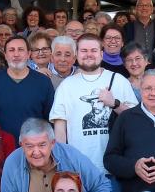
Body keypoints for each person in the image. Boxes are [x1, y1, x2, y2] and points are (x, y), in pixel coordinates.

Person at [1, 118, 109, 192]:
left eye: (42, 145)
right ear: (21, 145)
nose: (36, 152)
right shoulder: (12, 163)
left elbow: (102, 185)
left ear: (52, 143)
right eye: (29, 146)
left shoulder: (70, 156)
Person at [50, 33, 138, 173]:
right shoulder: (66, 86)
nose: (89, 54)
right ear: (76, 55)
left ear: (101, 54)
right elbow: (60, 129)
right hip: (78, 169)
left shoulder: (119, 80)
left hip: (114, 168)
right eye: (84, 50)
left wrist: (114, 103)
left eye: (93, 50)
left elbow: (136, 120)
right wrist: (63, 163)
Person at [0, 34, 55, 139]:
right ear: (5, 55)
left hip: (34, 144)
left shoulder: (43, 82)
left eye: (21, 50)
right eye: (11, 50)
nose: (16, 54)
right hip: (0, 144)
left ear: (28, 54)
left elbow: (51, 118)